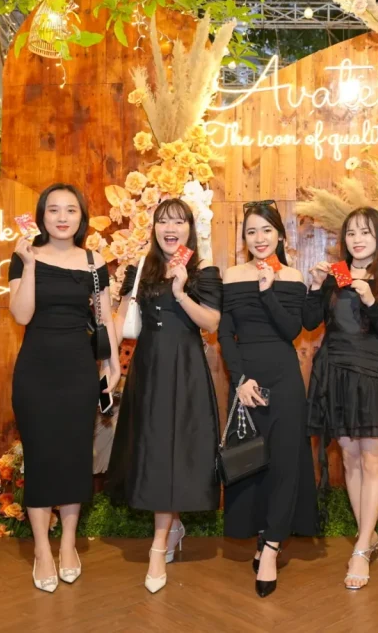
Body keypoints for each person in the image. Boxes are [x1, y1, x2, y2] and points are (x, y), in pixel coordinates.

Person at [104, 198, 222, 594]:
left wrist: (181, 290)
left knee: (176, 452)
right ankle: (171, 529)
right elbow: (121, 320)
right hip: (149, 370)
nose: (170, 228)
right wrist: (107, 364)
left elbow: (212, 322)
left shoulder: (203, 272)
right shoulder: (140, 269)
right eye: (163, 222)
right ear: (154, 229)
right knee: (154, 451)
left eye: (178, 221)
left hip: (185, 371)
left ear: (190, 228)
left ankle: (158, 547)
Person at [8, 183, 121, 593]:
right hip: (35, 371)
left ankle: (69, 544)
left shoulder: (94, 261)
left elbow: (104, 319)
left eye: (70, 209)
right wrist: (30, 264)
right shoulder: (24, 256)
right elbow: (21, 315)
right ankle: (42, 549)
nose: (61, 217)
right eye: (53, 209)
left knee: (75, 457)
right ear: (41, 216)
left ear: (81, 217)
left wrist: (113, 365)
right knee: (40, 458)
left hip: (78, 371)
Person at [303, 207, 378, 590]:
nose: (357, 239)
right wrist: (314, 287)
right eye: (351, 233)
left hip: (374, 375)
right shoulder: (336, 275)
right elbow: (310, 322)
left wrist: (370, 300)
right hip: (336, 373)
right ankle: (368, 535)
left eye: (365, 232)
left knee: (372, 460)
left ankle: (362, 548)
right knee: (350, 458)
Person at [219, 200, 317, 598]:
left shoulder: (292, 276)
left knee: (285, 463)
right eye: (251, 231)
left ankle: (273, 545)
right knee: (250, 462)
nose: (259, 238)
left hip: (284, 377)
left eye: (266, 230)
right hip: (246, 378)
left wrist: (268, 291)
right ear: (244, 238)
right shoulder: (231, 275)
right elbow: (225, 334)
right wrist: (240, 380)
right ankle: (259, 532)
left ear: (279, 235)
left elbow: (292, 330)